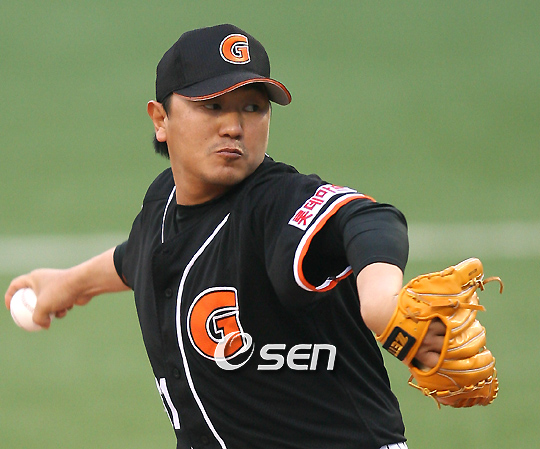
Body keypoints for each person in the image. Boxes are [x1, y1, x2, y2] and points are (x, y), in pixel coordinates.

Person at [5, 24, 444, 449]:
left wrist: (381, 300)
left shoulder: (275, 202)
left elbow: (367, 220)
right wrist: (69, 283)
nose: (233, 126)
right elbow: (138, 258)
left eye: (252, 108)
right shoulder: (163, 204)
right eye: (212, 106)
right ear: (160, 119)